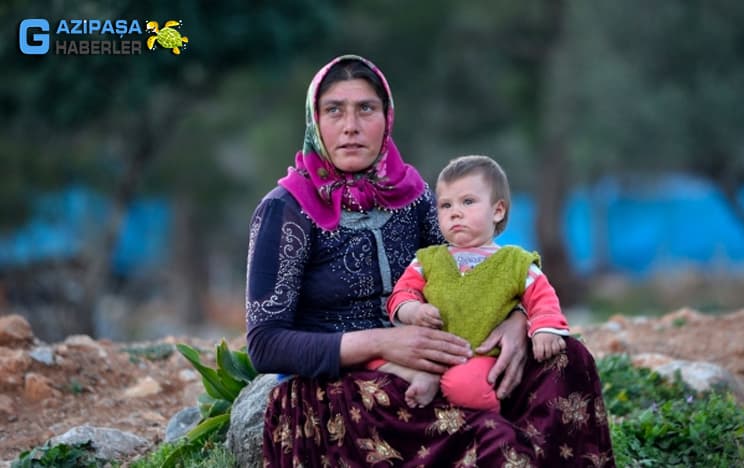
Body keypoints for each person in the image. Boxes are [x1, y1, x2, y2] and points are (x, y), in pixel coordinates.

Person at [246, 54, 614, 467]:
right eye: (334, 110)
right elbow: (265, 344)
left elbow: (475, 268)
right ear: (315, 120)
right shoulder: (287, 208)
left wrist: (517, 322)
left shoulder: (415, 195)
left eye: (366, 109)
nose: (350, 126)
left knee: (567, 357)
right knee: (492, 441)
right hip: (347, 388)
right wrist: (384, 341)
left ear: (387, 118)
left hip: (445, 359)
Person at [374, 155, 570, 411]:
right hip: (430, 350)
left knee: (465, 386)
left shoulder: (515, 262)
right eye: (445, 205)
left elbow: (542, 298)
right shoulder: (429, 259)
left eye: (468, 202)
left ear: (497, 211)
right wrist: (413, 310)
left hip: (478, 354)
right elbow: (403, 292)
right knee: (374, 360)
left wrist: (545, 329)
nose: (455, 212)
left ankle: (492, 422)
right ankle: (429, 377)